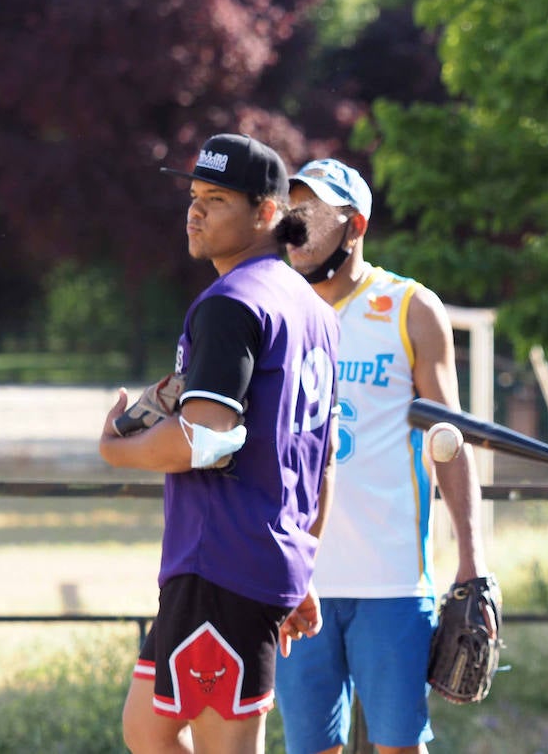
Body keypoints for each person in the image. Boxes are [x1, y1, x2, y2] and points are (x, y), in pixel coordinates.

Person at [100, 133, 340, 753]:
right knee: (146, 728)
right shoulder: (313, 309)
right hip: (251, 558)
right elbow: (319, 456)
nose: (195, 210)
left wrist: (117, 449)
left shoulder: (233, 302)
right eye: (193, 195)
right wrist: (298, 565)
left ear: (267, 212)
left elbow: (205, 440)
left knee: (220, 747)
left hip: (222, 558)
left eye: (217, 198)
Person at [273, 158, 492, 754]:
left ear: (356, 225)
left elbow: (451, 441)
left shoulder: (410, 307)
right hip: (299, 581)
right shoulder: (273, 312)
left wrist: (471, 559)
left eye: (315, 211)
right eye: (294, 209)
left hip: (391, 581)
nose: (299, 223)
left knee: (400, 747)